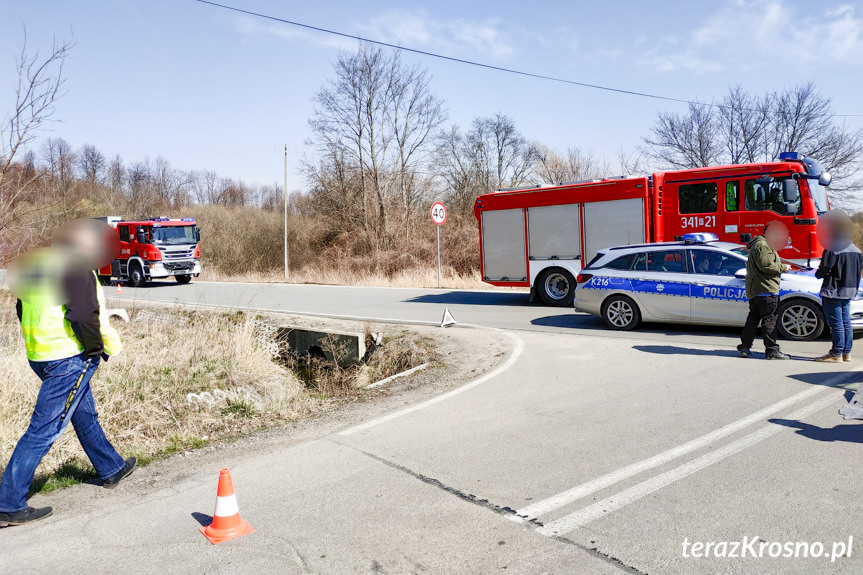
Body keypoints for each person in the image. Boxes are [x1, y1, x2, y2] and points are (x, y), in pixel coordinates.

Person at [0, 220, 136, 527]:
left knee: (84, 414)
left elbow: (22, 310)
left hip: (41, 355)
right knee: (44, 430)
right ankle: (9, 502)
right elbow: (83, 314)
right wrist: (92, 350)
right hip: (68, 359)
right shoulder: (76, 268)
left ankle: (111, 467)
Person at [814, 212, 863, 363]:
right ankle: (846, 353)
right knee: (845, 322)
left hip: (833, 290)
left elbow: (824, 269)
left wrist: (817, 273)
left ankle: (836, 353)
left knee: (836, 323)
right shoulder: (855, 249)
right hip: (849, 290)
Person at [738, 221, 791, 360]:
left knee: (753, 320)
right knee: (769, 321)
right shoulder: (763, 245)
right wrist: (783, 267)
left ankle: (745, 347)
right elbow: (766, 266)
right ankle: (772, 351)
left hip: (758, 291)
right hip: (766, 290)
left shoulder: (760, 244)